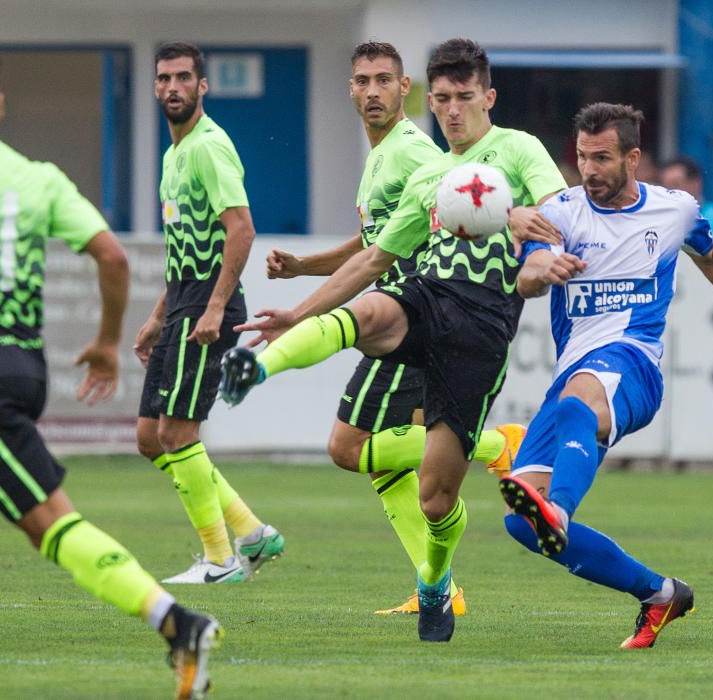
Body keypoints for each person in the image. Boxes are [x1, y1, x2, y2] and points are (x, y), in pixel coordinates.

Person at [221, 38, 567, 642]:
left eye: (464, 97)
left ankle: (439, 574)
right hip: (426, 299)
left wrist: (517, 222)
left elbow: (558, 210)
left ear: (488, 97)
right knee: (371, 317)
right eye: (443, 100)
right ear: (427, 100)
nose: (453, 111)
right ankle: (262, 366)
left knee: (430, 495)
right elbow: (376, 255)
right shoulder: (429, 172)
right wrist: (298, 308)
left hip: (484, 325)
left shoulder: (510, 149)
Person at [499, 102, 713, 649]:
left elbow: (711, 255)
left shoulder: (675, 210)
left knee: (579, 406)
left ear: (633, 158)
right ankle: (660, 593)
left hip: (634, 365)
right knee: (519, 523)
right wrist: (541, 271)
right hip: (575, 374)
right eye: (581, 157)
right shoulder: (563, 212)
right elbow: (529, 274)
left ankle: (561, 509)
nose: (589, 169)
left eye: (601, 158)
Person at [0, 45, 220, 697]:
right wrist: (108, 343)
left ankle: (177, 622)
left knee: (50, 523)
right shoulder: (36, 176)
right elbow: (112, 259)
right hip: (18, 365)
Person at [133, 42, 284, 585]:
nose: (171, 87)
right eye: (163, 79)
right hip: (184, 303)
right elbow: (183, 249)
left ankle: (222, 560)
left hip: (207, 305)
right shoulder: (174, 156)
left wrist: (215, 307)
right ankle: (250, 532)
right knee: (152, 438)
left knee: (178, 432)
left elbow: (240, 228)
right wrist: (158, 315)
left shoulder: (208, 147)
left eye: (182, 78)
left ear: (202, 86)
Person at [660, 156, 713, 243]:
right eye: (664, 186)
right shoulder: (658, 217)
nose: (668, 191)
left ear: (696, 183)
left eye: (675, 184)